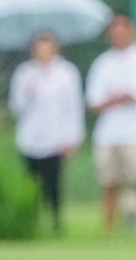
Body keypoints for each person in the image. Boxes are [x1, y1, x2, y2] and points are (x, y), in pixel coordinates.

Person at [86, 13, 136, 233]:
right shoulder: (103, 63)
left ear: (131, 32)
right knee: (109, 184)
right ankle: (108, 232)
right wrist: (116, 98)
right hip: (108, 134)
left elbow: (134, 94)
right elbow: (93, 101)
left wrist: (111, 99)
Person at [8, 32, 84, 233]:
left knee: (54, 184)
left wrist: (72, 138)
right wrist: (28, 92)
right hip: (30, 137)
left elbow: (73, 108)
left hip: (56, 138)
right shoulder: (25, 73)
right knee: (31, 185)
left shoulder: (67, 73)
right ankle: (31, 224)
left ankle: (56, 224)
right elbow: (16, 106)